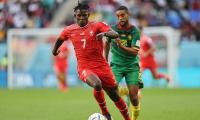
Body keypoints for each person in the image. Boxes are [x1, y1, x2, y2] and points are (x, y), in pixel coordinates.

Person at [52, 2, 131, 120]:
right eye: (79, 15)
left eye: (84, 15)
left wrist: (104, 34)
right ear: (75, 15)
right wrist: (54, 51)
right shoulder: (69, 30)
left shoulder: (97, 26)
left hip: (102, 66)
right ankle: (105, 113)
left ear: (88, 14)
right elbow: (60, 39)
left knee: (115, 96)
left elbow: (115, 34)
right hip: (85, 68)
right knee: (97, 84)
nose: (81, 17)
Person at [104, 6, 142, 120]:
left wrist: (121, 46)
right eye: (118, 16)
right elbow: (106, 44)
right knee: (110, 88)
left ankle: (134, 118)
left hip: (132, 66)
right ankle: (122, 91)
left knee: (134, 97)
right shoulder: (112, 30)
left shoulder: (135, 31)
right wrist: (105, 60)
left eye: (122, 15)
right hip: (117, 65)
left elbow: (135, 52)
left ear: (128, 14)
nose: (120, 18)